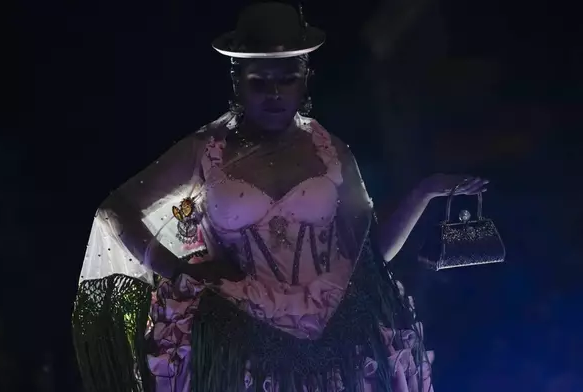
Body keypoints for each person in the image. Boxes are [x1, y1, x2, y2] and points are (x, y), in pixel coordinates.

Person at [71, 3, 487, 391]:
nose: (273, 93)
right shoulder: (205, 150)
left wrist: (426, 191)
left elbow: (373, 253)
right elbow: (115, 210)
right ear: (238, 80)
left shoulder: (331, 150)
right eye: (259, 81)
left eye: (286, 77)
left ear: (304, 77)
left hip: (335, 331)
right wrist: (176, 268)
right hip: (236, 334)